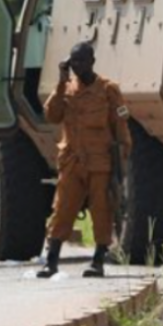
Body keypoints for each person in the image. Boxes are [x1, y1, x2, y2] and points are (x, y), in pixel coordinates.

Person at [37, 43, 132, 279]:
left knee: (101, 210)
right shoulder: (66, 90)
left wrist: (122, 163)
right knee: (62, 209)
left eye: (81, 61)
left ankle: (98, 259)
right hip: (72, 161)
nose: (77, 66)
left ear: (92, 61)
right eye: (73, 62)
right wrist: (61, 81)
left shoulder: (109, 90)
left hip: (100, 163)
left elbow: (121, 128)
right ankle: (51, 261)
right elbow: (51, 115)